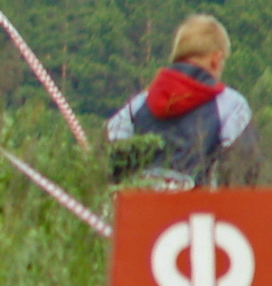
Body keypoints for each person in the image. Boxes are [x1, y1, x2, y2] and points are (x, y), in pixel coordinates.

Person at [105, 13, 261, 188]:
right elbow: (243, 169)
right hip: (201, 212)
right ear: (216, 60)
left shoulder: (136, 106)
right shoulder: (232, 106)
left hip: (142, 209)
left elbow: (111, 160)